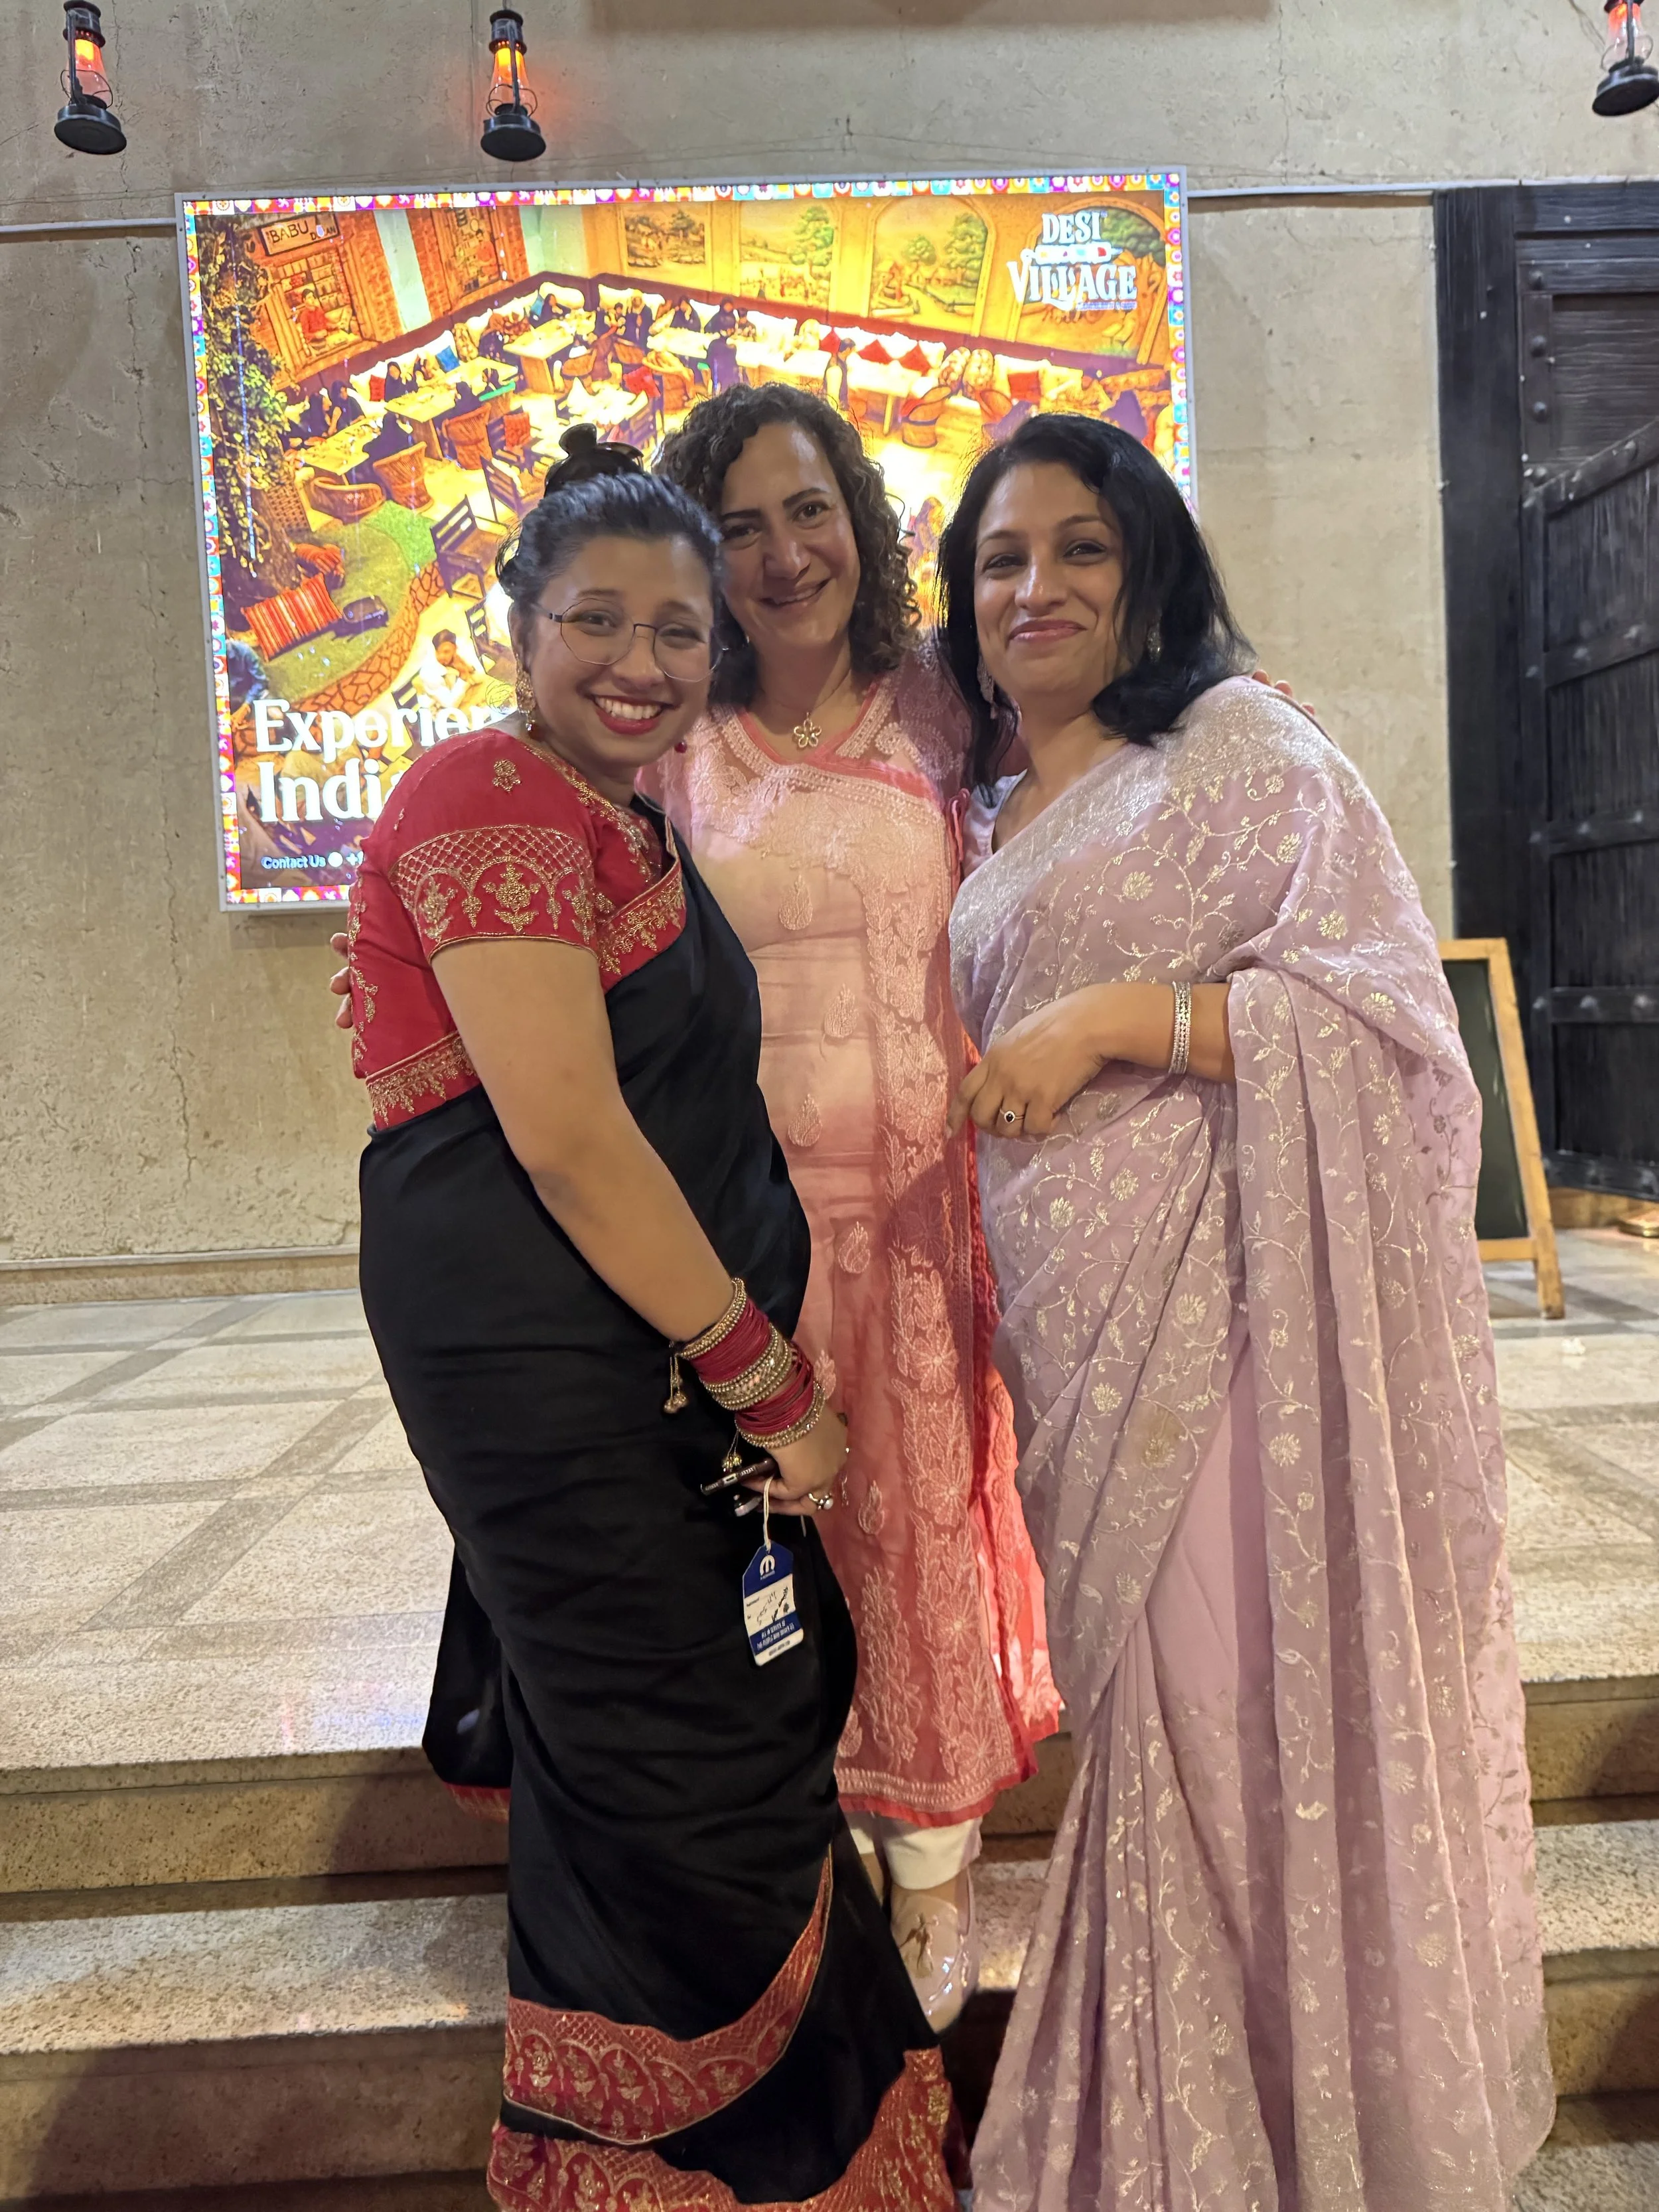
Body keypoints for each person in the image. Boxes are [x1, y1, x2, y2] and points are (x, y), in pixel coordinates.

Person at [940, 413, 1553, 2210]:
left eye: (1078, 548)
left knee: (1229, 1722)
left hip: (1224, 1324)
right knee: (1153, 1718)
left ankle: (1283, 2149)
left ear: (1148, 574)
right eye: (998, 557)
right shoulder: (994, 797)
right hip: (1070, 1319)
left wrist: (1127, 1018)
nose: (1033, 585)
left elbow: (1388, 1029)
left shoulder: (1239, 745)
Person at [344, 423, 958, 2211]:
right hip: (560, 1363)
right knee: (672, 1742)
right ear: (514, 627)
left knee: (689, 1729)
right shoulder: (483, 799)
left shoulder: (613, 820)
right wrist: (769, 1383)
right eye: (595, 619)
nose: (642, 662)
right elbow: (571, 1137)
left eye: (679, 630)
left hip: (639, 1356)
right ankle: (677, 2166)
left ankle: (780, 2139)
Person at [650, 384, 1061, 2028]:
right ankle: (789, 1836)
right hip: (724, 1223)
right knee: (755, 1523)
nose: (778, 552)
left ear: (862, 525)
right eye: (737, 523)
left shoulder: (947, 705)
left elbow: (1121, 750)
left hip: (912, 1214)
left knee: (906, 1524)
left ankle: (936, 1854)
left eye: (804, 511)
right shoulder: (670, 737)